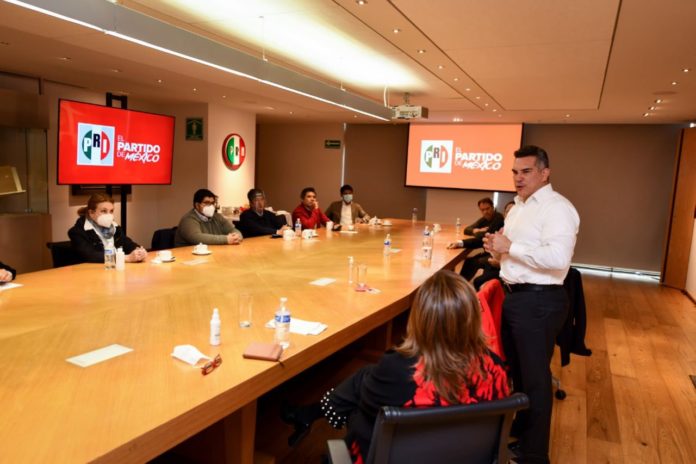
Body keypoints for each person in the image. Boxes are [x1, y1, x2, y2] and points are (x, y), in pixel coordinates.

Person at [282, 270, 509, 462]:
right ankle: (312, 413)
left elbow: (366, 409)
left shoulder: (400, 370)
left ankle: (313, 413)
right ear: (472, 317)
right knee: (365, 379)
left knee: (358, 398)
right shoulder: (496, 369)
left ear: (420, 318)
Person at [484, 145, 579, 464]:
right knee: (519, 374)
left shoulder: (557, 208)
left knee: (536, 381)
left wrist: (511, 246)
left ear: (544, 173)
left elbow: (558, 259)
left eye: (526, 171)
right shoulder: (518, 208)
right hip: (515, 297)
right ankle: (522, 433)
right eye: (515, 172)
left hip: (540, 301)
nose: (518, 178)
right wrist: (497, 251)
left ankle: (535, 455)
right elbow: (513, 254)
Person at [68, 193, 147, 263]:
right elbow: (91, 255)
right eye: (104, 211)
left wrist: (139, 251)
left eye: (111, 211)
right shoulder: (77, 232)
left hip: (115, 268)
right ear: (91, 213)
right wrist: (125, 258)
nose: (109, 215)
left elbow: (128, 244)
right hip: (92, 271)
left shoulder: (115, 227)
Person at [447, 197, 505, 281]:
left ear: (493, 207)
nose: (485, 212)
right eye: (482, 210)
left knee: (472, 263)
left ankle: (461, 284)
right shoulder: (485, 219)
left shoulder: (498, 218)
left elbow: (482, 238)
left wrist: (462, 242)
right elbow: (467, 229)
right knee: (469, 261)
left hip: (496, 255)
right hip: (488, 252)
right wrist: (476, 231)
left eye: (487, 209)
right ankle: (461, 284)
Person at [174, 189, 243, 246]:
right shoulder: (188, 219)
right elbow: (197, 238)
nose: (210, 206)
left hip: (212, 252)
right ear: (197, 205)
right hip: (187, 255)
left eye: (212, 203)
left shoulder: (217, 216)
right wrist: (226, 239)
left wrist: (237, 236)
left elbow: (233, 230)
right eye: (206, 203)